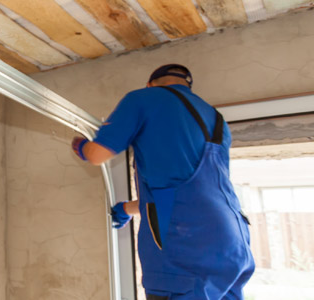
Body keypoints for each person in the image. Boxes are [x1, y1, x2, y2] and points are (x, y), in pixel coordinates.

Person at [70, 65, 255, 299]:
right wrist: (127, 208)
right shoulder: (216, 118)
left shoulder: (142, 99)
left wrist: (80, 146)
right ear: (188, 87)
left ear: (150, 84)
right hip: (233, 242)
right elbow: (187, 193)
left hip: (187, 249)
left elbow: (97, 154)